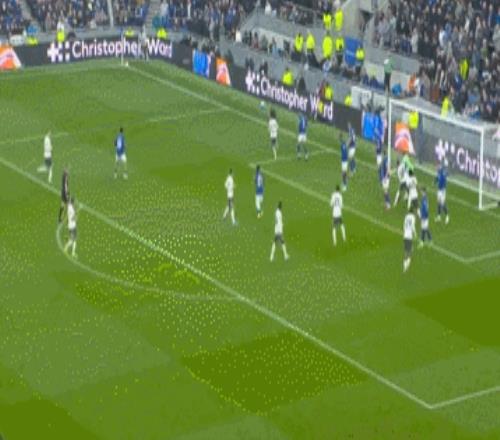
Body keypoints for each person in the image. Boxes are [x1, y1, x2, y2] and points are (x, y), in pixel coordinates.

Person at [403, 206, 417, 272]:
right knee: (410, 251)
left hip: (405, 235)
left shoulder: (406, 216)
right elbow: (413, 226)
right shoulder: (413, 217)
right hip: (409, 236)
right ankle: (406, 265)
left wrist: (405, 231)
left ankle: (405, 265)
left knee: (406, 250)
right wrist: (415, 233)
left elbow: (404, 225)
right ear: (413, 211)